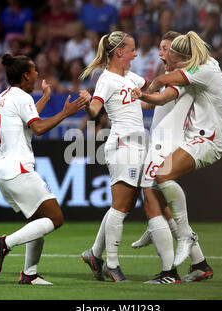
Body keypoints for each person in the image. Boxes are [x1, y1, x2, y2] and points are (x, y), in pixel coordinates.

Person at [132, 30, 222, 280]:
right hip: (195, 138)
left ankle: (181, 241)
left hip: (204, 139)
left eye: (168, 52)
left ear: (183, 57)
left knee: (160, 180)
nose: (164, 56)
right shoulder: (205, 66)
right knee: (157, 193)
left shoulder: (201, 71)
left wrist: (150, 86)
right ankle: (199, 264)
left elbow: (165, 88)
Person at [0, 54, 90, 285]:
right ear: (25, 75)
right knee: (55, 217)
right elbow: (38, 128)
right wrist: (67, 113)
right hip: (19, 170)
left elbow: (28, 117)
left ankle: (29, 274)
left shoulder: (4, 97)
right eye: (34, 71)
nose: (37, 75)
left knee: (39, 220)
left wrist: (45, 98)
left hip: (4, 172)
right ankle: (4, 244)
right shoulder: (22, 97)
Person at [79, 31, 147, 282]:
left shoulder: (130, 77)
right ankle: (112, 264)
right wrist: (86, 103)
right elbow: (95, 109)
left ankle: (95, 255)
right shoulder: (106, 80)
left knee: (126, 205)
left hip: (137, 144)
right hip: (123, 144)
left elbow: (146, 96)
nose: (136, 53)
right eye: (132, 49)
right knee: (120, 206)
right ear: (119, 52)